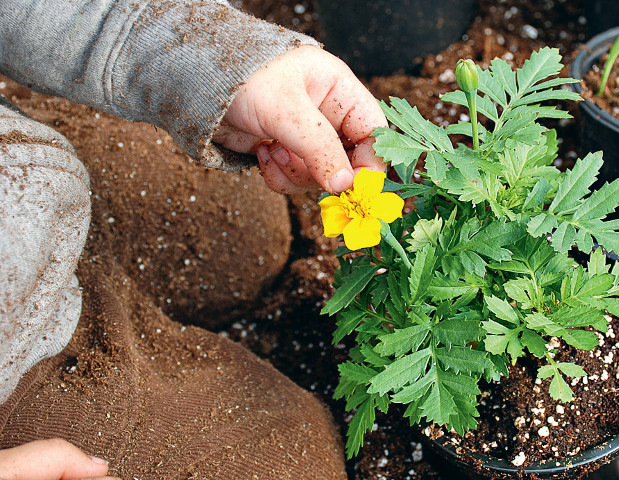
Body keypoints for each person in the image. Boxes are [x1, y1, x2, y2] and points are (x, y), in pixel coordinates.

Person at [0, 1, 387, 478]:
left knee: (243, 236)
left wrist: (217, 56)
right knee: (287, 458)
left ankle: (44, 116)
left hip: (22, 193)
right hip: (16, 377)